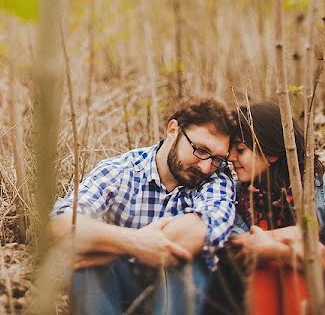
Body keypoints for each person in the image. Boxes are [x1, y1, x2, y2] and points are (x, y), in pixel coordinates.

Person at [50, 97, 237, 315]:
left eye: (216, 159)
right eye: (201, 150)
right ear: (173, 129)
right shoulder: (122, 170)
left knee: (191, 262)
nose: (206, 167)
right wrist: (134, 243)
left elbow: (202, 231)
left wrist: (113, 248)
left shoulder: (216, 179)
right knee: (88, 266)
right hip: (119, 286)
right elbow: (60, 224)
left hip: (172, 296)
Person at [204, 102, 325, 315]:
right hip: (260, 297)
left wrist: (280, 250)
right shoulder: (236, 196)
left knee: (293, 273)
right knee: (265, 270)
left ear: (272, 153)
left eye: (240, 149)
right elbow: (244, 249)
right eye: (230, 151)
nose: (230, 158)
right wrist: (297, 242)